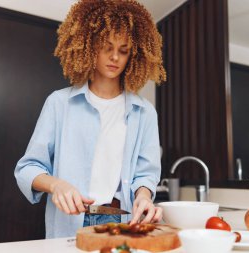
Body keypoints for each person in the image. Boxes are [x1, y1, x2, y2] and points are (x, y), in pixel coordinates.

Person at [14, 0, 166, 239]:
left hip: (121, 219)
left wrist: (144, 196)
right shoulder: (59, 103)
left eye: (123, 50)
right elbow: (27, 168)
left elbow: (145, 174)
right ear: (89, 45)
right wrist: (56, 185)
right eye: (106, 47)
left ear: (133, 55)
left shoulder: (144, 112)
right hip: (68, 221)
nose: (115, 56)